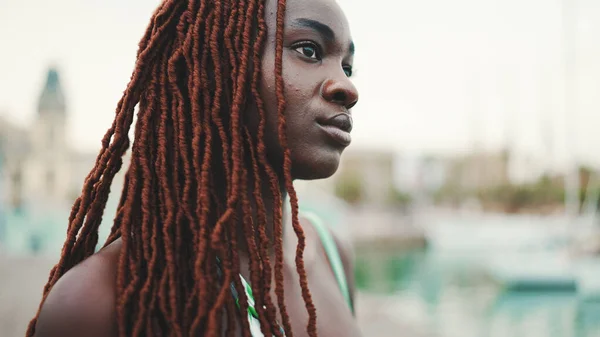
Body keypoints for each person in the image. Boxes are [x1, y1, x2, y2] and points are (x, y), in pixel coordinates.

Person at [28, 0, 359, 335]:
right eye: (309, 50)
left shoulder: (332, 254)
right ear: (217, 65)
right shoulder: (96, 300)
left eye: (347, 66)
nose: (347, 87)